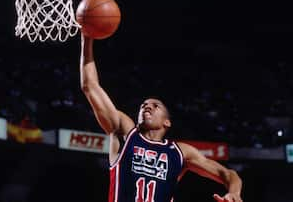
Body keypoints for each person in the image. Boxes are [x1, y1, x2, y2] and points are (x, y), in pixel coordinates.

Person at [79, 34, 243, 202]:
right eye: (143, 105)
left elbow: (228, 174)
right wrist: (87, 39)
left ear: (167, 122)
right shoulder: (126, 134)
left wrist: (234, 193)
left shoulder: (180, 152)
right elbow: (90, 86)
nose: (147, 106)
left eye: (155, 105)